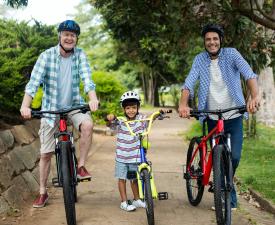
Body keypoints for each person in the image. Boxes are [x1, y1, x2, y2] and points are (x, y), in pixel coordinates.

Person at [178, 24, 260, 210]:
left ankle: (224, 187)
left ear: (220, 40)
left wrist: (255, 96)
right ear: (204, 42)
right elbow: (189, 83)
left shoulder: (232, 54)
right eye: (208, 39)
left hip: (234, 114)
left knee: (234, 157)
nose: (212, 42)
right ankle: (226, 199)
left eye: (215, 39)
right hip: (212, 117)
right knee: (218, 156)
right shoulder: (199, 59)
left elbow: (249, 74)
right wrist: (183, 104)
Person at [20, 20, 99, 208]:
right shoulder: (46, 56)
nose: (69, 38)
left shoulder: (80, 55)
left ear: (76, 39)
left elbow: (88, 80)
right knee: (46, 154)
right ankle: (42, 192)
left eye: (73, 35)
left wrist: (93, 98)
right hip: (51, 109)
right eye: (66, 34)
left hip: (74, 105)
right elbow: (33, 84)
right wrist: (25, 106)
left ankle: (80, 166)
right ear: (59, 36)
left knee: (87, 125)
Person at [106, 91, 147, 212]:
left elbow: (152, 118)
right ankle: (124, 202)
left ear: (138, 107)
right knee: (122, 178)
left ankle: (136, 199)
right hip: (122, 157)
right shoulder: (121, 120)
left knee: (134, 179)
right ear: (124, 109)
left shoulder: (141, 119)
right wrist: (110, 118)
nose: (131, 110)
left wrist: (159, 114)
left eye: (134, 107)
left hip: (135, 156)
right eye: (128, 108)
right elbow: (111, 124)